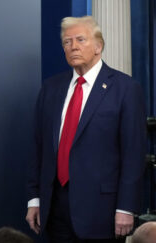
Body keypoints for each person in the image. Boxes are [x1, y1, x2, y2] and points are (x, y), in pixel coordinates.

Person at [26, 16, 146, 242]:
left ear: (98, 46)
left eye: (81, 39)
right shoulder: (51, 88)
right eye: (67, 42)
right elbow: (38, 147)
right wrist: (35, 199)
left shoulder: (125, 89)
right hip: (55, 209)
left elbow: (133, 154)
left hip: (103, 211)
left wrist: (126, 208)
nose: (73, 47)